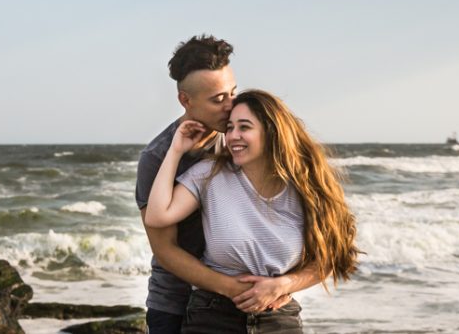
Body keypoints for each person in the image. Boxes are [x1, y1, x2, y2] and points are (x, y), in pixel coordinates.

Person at [135, 36, 323, 334]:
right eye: (217, 99)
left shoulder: (246, 141)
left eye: (232, 92)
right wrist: (237, 290)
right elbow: (165, 249)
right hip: (175, 302)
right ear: (186, 100)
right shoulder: (158, 157)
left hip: (255, 307)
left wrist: (279, 286)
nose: (230, 106)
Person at [145, 88, 360, 333]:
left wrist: (283, 284)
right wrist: (175, 150)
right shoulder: (209, 174)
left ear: (271, 131)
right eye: (229, 128)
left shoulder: (307, 185)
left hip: (278, 318)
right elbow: (157, 215)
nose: (233, 136)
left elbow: (330, 256)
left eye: (244, 127)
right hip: (213, 315)